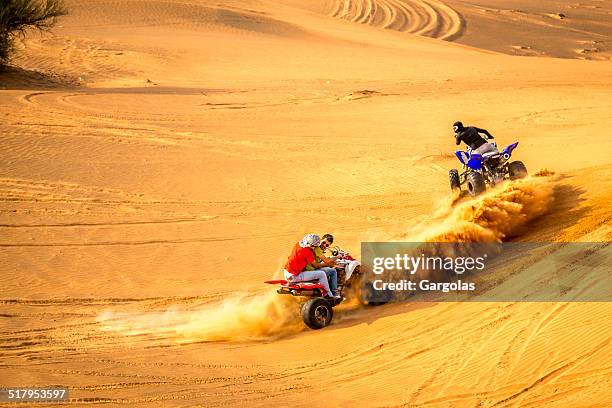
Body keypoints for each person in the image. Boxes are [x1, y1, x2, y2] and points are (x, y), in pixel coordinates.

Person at [284, 234, 341, 299]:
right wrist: (329, 263)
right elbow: (316, 265)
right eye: (314, 246)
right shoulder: (307, 252)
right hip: (294, 276)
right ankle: (329, 295)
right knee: (322, 274)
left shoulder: (298, 244)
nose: (314, 248)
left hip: (287, 272)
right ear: (311, 245)